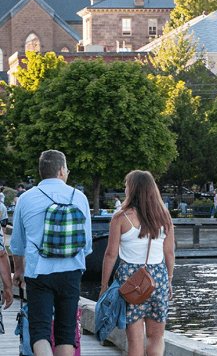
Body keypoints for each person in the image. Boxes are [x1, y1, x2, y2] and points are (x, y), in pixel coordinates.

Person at [11, 150, 92, 356]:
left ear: (41, 172)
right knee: (66, 332)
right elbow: (87, 245)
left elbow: (18, 244)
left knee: (40, 331)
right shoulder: (79, 197)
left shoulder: (25, 199)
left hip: (39, 274)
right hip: (71, 271)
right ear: (61, 170)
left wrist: (19, 271)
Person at [100, 170, 175, 356]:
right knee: (156, 337)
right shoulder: (164, 216)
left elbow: (110, 254)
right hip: (158, 279)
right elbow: (169, 253)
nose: (125, 189)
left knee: (135, 340)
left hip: (131, 282)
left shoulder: (121, 217)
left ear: (132, 189)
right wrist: (169, 280)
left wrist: (103, 285)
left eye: (126, 185)